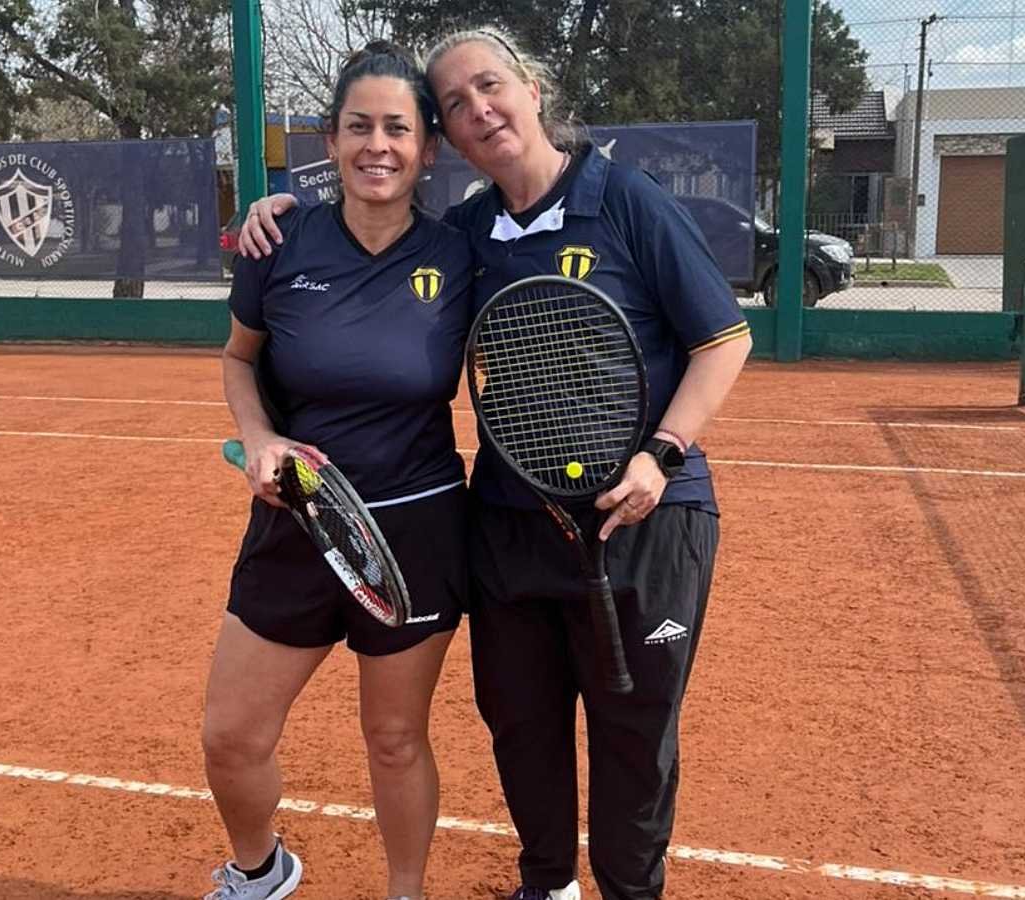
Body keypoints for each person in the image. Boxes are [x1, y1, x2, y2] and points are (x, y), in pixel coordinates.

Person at [238, 27, 752, 900]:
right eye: (455, 103)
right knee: (521, 723)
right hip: (513, 522)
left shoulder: (627, 200)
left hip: (645, 518)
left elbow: (723, 340)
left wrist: (661, 455)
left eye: (489, 86)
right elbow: (373, 240)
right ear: (448, 139)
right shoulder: (468, 234)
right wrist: (273, 211)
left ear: (533, 90)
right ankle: (546, 886)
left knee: (632, 734)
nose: (478, 109)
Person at [204, 41, 472, 900]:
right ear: (330, 139)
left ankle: (405, 892)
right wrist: (259, 437)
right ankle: (260, 871)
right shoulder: (277, 241)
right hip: (296, 518)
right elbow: (239, 358)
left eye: (398, 128)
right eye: (359, 127)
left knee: (394, 738)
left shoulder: (462, 253)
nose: (377, 146)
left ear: (427, 148)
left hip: (416, 529)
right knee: (231, 736)